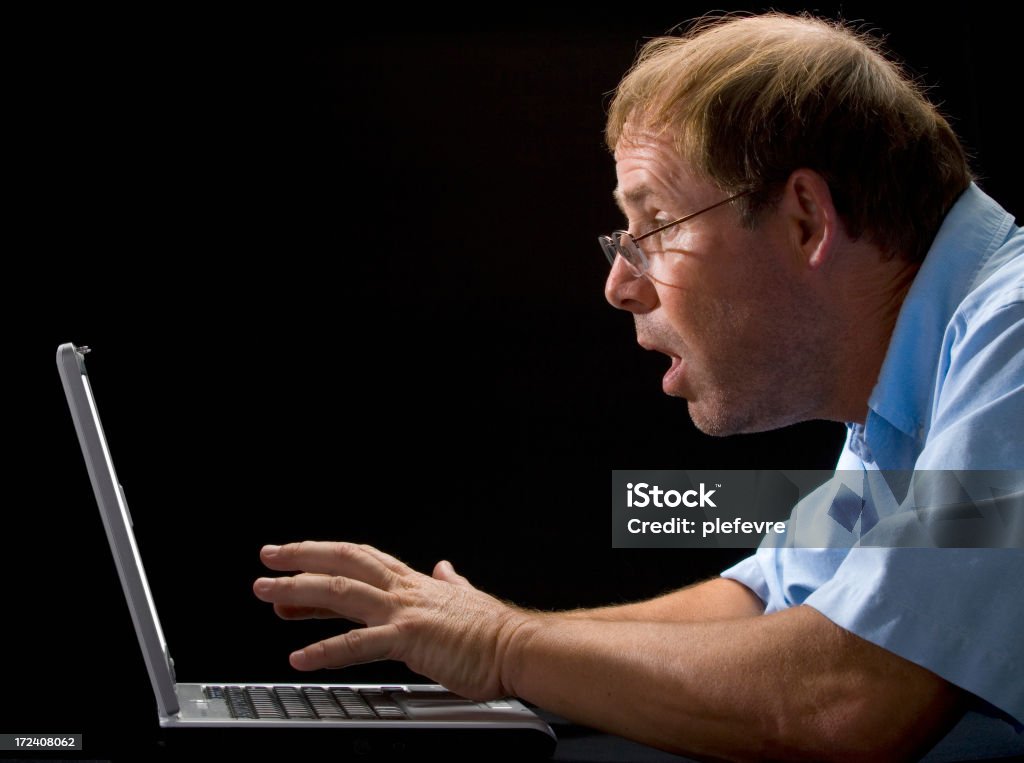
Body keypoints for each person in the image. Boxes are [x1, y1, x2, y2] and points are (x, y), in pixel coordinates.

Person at [252, 13, 1023, 760]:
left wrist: (503, 645)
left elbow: (846, 694)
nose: (620, 283)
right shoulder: (910, 391)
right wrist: (483, 636)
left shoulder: (1014, 333)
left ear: (805, 222)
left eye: (655, 225)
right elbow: (767, 603)